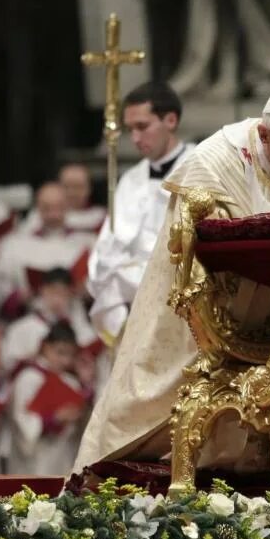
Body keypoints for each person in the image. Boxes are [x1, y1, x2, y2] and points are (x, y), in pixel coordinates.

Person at [72, 84, 270, 474]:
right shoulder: (214, 161)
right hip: (213, 304)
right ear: (263, 133)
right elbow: (193, 246)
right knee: (163, 390)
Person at [86, 82, 196, 345]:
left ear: (170, 120)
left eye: (142, 127)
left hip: (181, 307)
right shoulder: (130, 181)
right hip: (132, 308)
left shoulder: (198, 169)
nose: (134, 138)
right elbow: (106, 250)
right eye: (130, 129)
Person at [0, 183, 95, 332]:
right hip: (28, 324)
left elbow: (102, 294)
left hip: (75, 325)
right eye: (47, 208)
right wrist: (18, 297)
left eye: (58, 207)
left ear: (67, 207)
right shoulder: (16, 244)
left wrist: (85, 290)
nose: (54, 215)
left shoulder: (86, 243)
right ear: (37, 208)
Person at [0, 321, 94, 475]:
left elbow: (85, 428)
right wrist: (54, 419)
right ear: (46, 347)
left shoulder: (71, 382)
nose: (65, 361)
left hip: (61, 456)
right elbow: (21, 421)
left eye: (70, 355)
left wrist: (86, 388)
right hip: (33, 459)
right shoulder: (28, 378)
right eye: (60, 352)